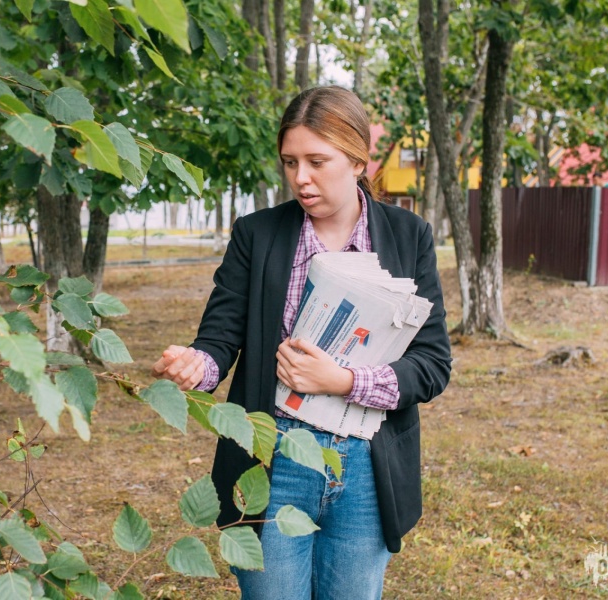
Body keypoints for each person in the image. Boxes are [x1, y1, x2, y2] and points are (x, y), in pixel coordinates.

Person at [152, 86, 452, 599]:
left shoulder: (409, 236)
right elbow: (220, 337)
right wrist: (195, 364)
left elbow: (432, 363)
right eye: (290, 162)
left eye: (317, 161)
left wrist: (345, 381)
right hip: (271, 462)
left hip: (367, 469)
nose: (300, 178)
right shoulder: (257, 234)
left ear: (357, 160)